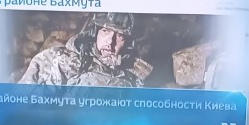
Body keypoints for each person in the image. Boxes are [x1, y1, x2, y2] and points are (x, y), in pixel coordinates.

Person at [19, 12, 151, 86]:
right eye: (105, 31)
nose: (110, 41)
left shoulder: (136, 77)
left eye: (119, 35)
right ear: (95, 33)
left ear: (128, 43)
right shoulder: (62, 61)